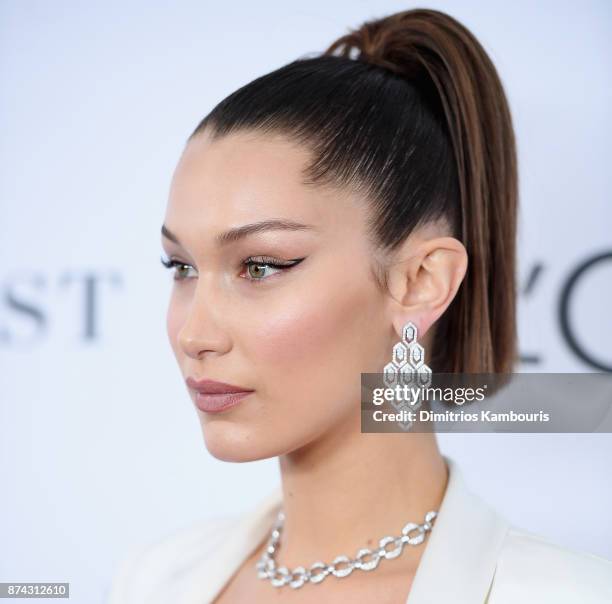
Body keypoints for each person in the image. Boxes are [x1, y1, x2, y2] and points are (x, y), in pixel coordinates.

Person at [107, 7, 612, 603]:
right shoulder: (154, 580)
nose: (194, 333)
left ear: (421, 281)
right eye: (182, 268)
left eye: (261, 266)